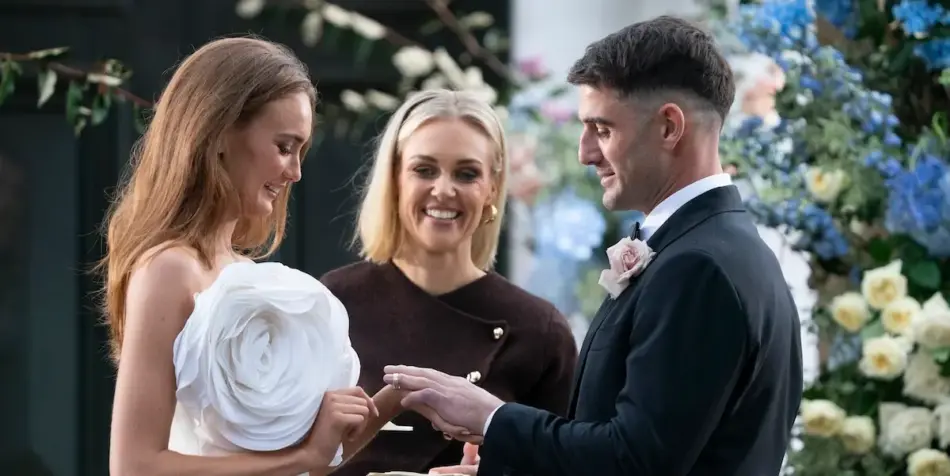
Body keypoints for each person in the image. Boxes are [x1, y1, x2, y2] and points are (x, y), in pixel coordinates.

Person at [384, 16, 804, 476]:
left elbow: (634, 462)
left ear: (669, 127)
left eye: (602, 129)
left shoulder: (697, 267)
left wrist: (491, 416)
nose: (584, 152)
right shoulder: (722, 248)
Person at [100, 37, 400, 476]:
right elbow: (135, 466)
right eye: (284, 147)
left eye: (301, 151)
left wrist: (395, 401)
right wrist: (303, 456)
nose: (295, 172)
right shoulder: (169, 269)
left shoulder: (242, 272)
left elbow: (295, 463)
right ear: (219, 134)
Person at [320, 89, 577, 476]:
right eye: (424, 170)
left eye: (466, 173)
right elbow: (287, 459)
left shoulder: (540, 331)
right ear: (395, 177)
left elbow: (572, 466)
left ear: (492, 186)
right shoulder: (329, 303)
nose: (443, 189)